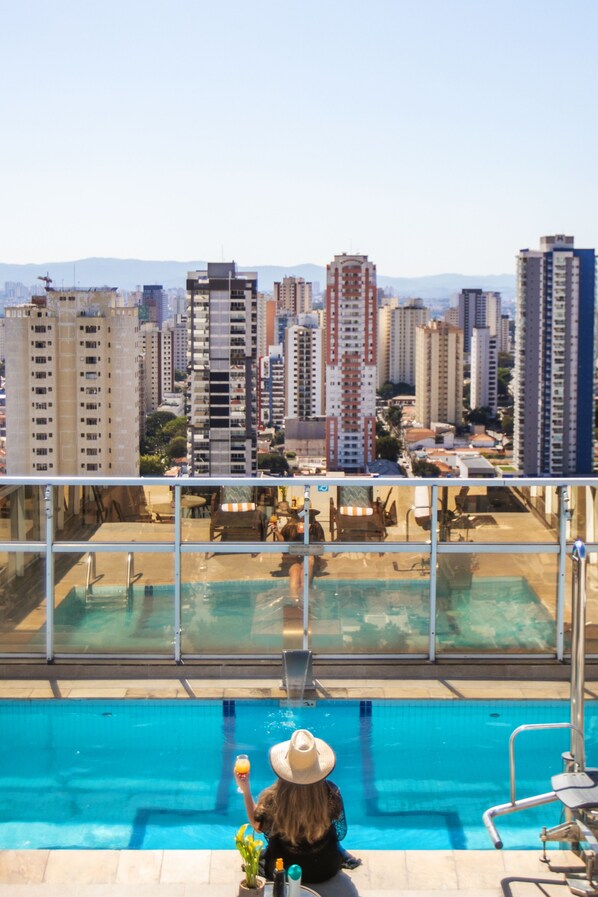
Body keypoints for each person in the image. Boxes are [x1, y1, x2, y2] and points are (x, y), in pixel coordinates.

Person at [234, 729, 361, 884]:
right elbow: (339, 833)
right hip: (325, 867)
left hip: (284, 869)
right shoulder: (330, 792)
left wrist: (245, 789)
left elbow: (257, 825)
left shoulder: (273, 798)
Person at [268, 508, 325, 598]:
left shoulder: (315, 526)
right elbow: (283, 542)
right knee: (295, 572)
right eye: (301, 512)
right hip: (293, 557)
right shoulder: (290, 526)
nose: (303, 515)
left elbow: (321, 546)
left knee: (309, 560)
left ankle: (304, 598)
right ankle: (295, 601)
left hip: (308, 556)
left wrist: (308, 535)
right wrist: (277, 532)